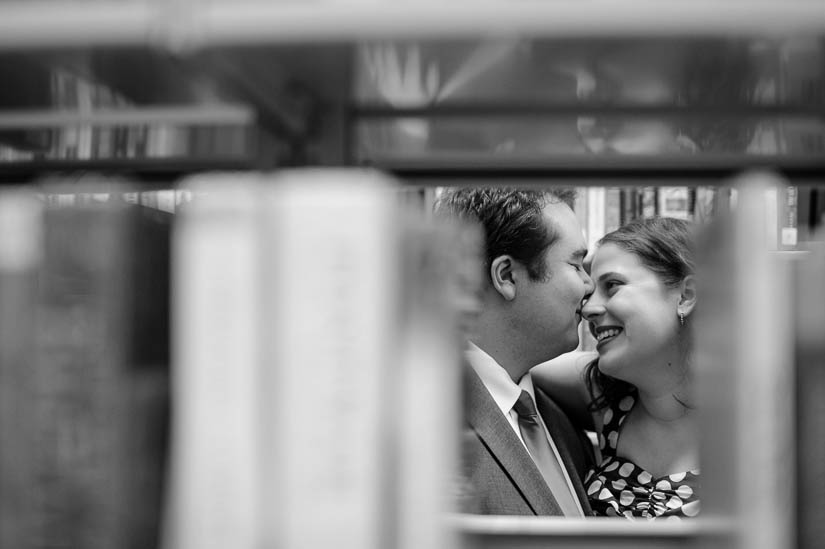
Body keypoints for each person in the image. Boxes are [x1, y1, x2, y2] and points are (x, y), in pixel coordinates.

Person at [435, 187, 596, 516]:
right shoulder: (429, 422)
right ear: (506, 276)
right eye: (577, 265)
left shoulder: (564, 423)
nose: (589, 286)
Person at [533, 216, 700, 519]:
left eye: (612, 286)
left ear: (686, 295)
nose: (588, 309)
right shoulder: (602, 394)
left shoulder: (756, 418)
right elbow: (501, 356)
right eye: (590, 292)